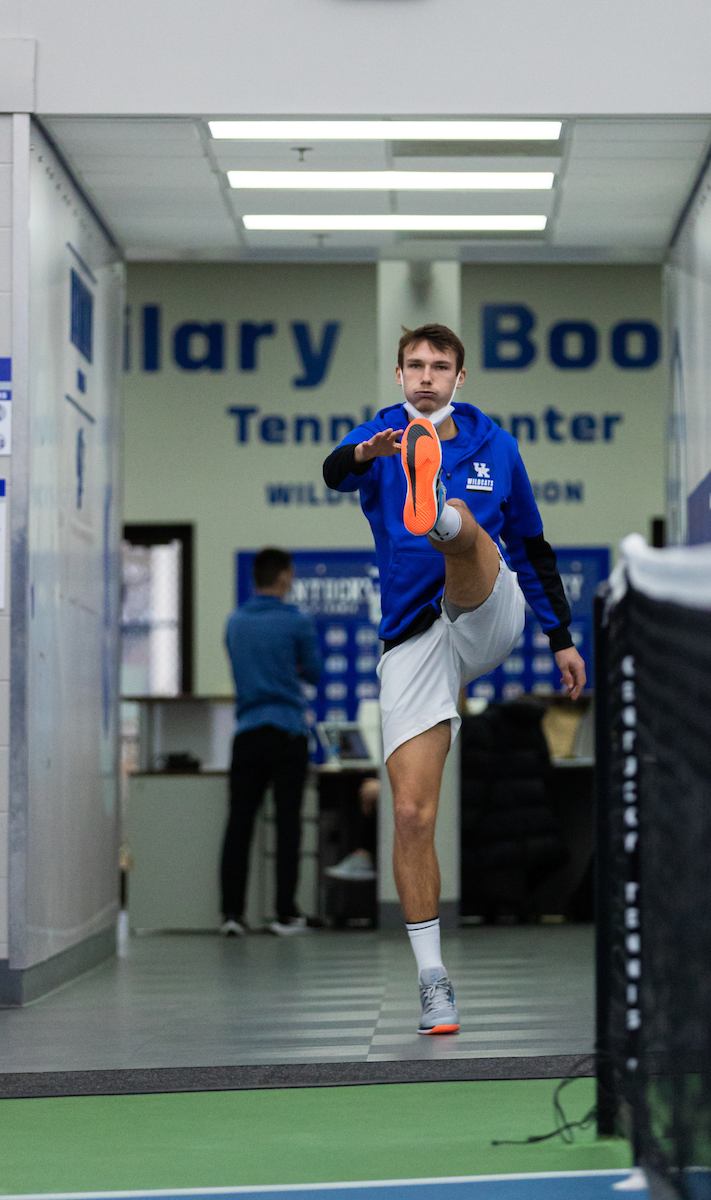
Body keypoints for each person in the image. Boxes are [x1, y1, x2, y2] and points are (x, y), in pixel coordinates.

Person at [322, 323, 585, 1034]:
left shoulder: (497, 446)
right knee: (410, 814)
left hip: (485, 612)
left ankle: (437, 515)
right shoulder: (376, 437)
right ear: (399, 374)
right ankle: (434, 979)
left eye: (441, 366)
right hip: (414, 638)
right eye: (415, 365)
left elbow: (533, 545)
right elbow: (333, 471)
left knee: (471, 527)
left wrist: (561, 637)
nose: (427, 376)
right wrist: (362, 454)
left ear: (459, 378)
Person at [220, 546, 322, 937]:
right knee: (287, 824)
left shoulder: (234, 622)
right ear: (282, 577)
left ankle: (232, 914)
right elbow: (312, 672)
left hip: (246, 732)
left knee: (239, 824)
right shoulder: (297, 621)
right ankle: (284, 913)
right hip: (288, 731)